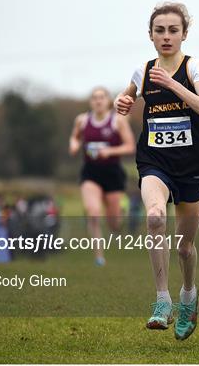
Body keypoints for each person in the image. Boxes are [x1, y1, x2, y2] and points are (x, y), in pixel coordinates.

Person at [113, 2, 199, 340]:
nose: (167, 36)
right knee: (155, 216)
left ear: (184, 34)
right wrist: (122, 101)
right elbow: (127, 97)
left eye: (173, 30)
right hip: (154, 161)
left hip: (190, 166)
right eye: (160, 30)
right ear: (151, 35)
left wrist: (173, 85)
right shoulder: (142, 70)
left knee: (185, 248)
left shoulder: (194, 68)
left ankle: (188, 295)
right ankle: (162, 300)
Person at [69, 87, 135, 266]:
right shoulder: (82, 120)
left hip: (113, 172)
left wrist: (110, 151)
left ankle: (120, 212)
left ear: (108, 101)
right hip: (91, 172)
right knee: (93, 212)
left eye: (101, 97)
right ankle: (99, 257)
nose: (98, 101)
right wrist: (74, 145)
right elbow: (75, 137)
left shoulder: (118, 121)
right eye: (94, 98)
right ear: (91, 102)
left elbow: (130, 146)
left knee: (114, 223)